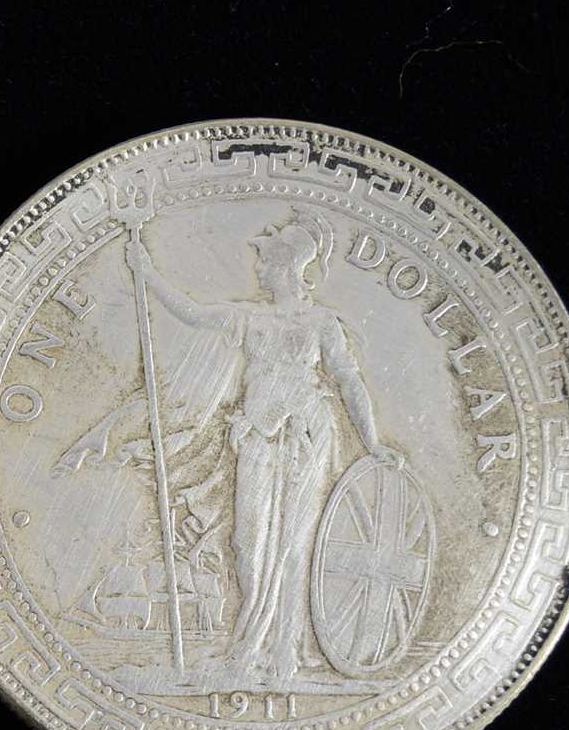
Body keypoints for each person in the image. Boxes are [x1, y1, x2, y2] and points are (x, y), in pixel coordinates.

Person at [126, 214, 400, 683]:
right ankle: (249, 645)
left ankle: (282, 655)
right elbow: (192, 313)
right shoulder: (250, 318)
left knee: (294, 544)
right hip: (257, 435)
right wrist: (146, 272)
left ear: (288, 266)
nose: (258, 270)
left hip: (306, 437)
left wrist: (372, 441)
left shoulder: (321, 322)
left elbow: (349, 380)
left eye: (266, 262)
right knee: (247, 544)